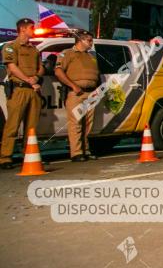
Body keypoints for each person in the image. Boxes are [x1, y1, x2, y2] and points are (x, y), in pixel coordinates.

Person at [1, 18, 45, 169]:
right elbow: (12, 67)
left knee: (31, 127)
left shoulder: (34, 49)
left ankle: (29, 155)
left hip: (33, 91)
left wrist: (36, 77)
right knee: (12, 125)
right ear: (23, 29)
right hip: (19, 89)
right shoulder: (11, 47)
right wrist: (28, 80)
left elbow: (41, 68)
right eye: (32, 27)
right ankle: (5, 158)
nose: (34, 29)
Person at [54, 31, 100, 162]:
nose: (91, 43)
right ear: (80, 40)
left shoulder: (91, 56)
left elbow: (96, 74)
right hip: (76, 93)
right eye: (89, 40)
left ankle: (86, 150)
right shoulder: (67, 53)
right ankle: (76, 152)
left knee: (88, 124)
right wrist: (73, 86)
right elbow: (58, 71)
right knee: (76, 123)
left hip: (91, 93)